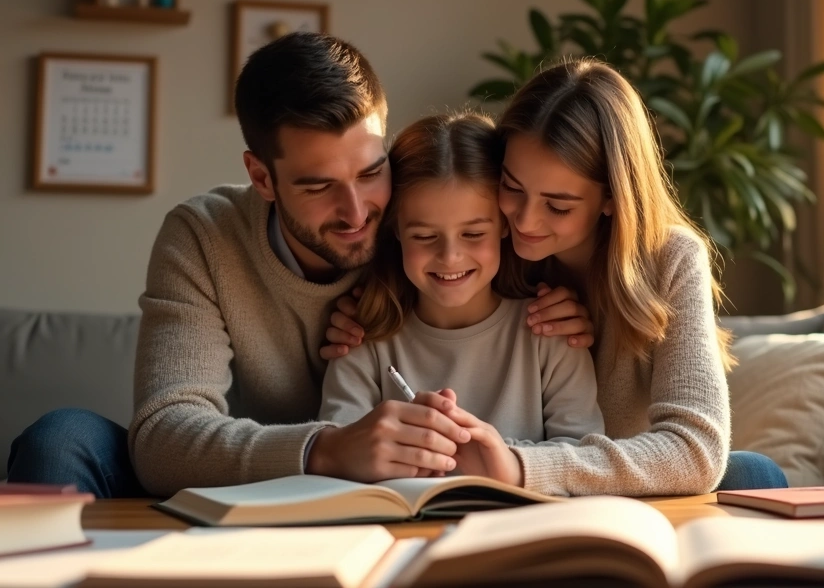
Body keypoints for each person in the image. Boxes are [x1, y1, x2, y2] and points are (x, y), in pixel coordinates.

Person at [5, 33, 595, 498]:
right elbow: (163, 437)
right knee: (60, 441)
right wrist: (328, 450)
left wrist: (571, 301)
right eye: (319, 187)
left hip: (403, 484)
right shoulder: (205, 235)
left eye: (370, 171)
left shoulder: (422, 220)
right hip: (258, 475)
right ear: (262, 176)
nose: (358, 211)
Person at [325, 60, 787, 494]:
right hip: (503, 487)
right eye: (511, 187)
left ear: (611, 197)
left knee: (752, 472)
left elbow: (697, 451)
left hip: (617, 483)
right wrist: (364, 309)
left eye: (559, 205)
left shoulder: (670, 259)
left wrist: (520, 467)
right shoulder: (490, 249)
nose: (524, 221)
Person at [319, 112, 605, 480]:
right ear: (396, 232)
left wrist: (500, 458)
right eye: (424, 236)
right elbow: (338, 455)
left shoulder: (552, 333)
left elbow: (587, 459)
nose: (450, 257)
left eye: (473, 235)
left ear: (504, 224)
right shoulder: (362, 339)